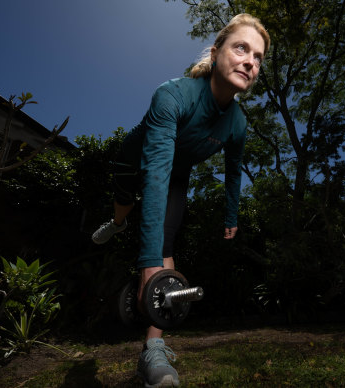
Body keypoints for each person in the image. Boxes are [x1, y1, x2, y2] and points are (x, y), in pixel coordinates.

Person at [92, 13, 270, 388]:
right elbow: (153, 175)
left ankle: (152, 350)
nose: (250, 61)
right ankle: (119, 222)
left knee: (167, 241)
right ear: (217, 49)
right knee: (127, 208)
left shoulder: (237, 124)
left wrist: (231, 215)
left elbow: (234, 172)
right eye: (241, 48)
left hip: (175, 173)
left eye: (258, 57)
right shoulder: (173, 94)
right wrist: (146, 266)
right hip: (135, 161)